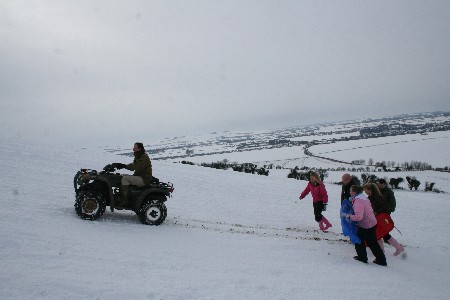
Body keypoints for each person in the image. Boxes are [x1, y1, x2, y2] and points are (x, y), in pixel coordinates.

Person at [341, 185, 387, 266]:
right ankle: (375, 259)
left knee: (365, 241)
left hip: (367, 225)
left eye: (351, 191)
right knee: (364, 241)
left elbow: (359, 217)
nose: (350, 193)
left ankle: (370, 259)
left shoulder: (358, 201)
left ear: (354, 192)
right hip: (370, 223)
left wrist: (348, 216)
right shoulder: (364, 198)